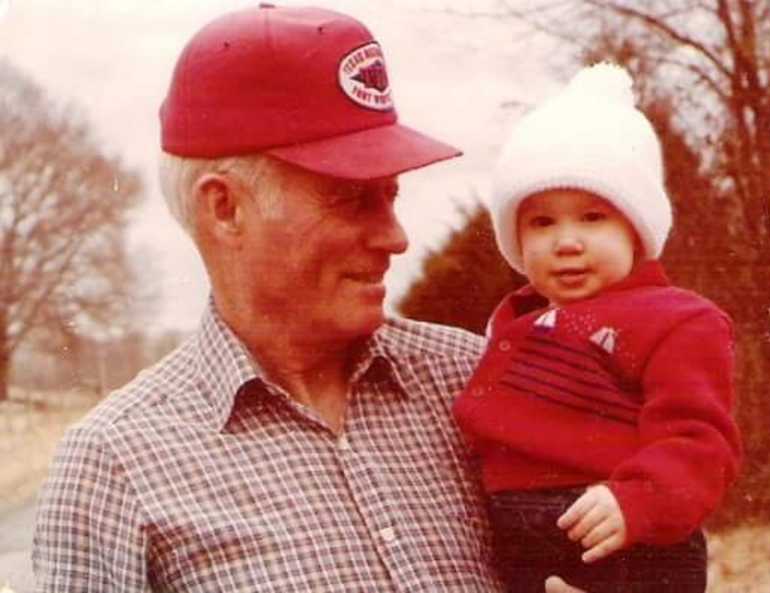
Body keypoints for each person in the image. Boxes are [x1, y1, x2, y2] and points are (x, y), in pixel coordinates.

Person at [32, 5, 521, 591]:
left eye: (391, 197)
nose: (395, 237)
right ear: (225, 208)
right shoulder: (116, 465)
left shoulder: (474, 381)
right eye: (352, 199)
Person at [453, 63, 743, 593]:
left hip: (623, 536)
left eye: (592, 217)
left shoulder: (676, 319)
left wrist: (637, 499)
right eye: (541, 222)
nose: (567, 241)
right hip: (519, 536)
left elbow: (700, 442)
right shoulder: (513, 322)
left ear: (636, 228)